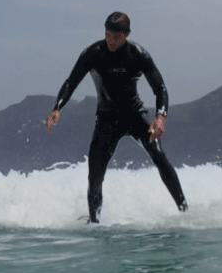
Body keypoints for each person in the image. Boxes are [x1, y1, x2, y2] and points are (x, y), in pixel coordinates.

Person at [45, 12, 187, 223]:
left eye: (117, 37)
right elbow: (71, 82)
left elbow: (160, 89)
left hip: (134, 115)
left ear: (127, 34)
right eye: (108, 35)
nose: (111, 40)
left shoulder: (138, 54)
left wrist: (160, 118)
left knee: (158, 155)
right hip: (106, 119)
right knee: (95, 174)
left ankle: (185, 211)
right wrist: (57, 108)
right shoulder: (93, 53)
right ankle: (94, 223)